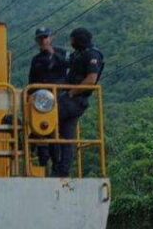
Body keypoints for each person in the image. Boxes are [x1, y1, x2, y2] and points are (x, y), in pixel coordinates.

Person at [53, 27, 103, 178]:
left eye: (73, 39)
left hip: (75, 100)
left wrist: (70, 93)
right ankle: (61, 171)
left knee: (45, 121)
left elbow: (91, 80)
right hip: (71, 99)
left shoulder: (92, 54)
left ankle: (46, 158)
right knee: (67, 136)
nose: (71, 42)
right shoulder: (78, 54)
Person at [27, 27, 68, 172]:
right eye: (40, 38)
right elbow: (31, 82)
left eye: (45, 37)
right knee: (40, 130)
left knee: (56, 132)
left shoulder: (62, 54)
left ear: (51, 38)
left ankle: (57, 164)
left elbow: (67, 69)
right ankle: (43, 163)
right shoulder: (36, 60)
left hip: (59, 99)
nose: (43, 40)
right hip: (41, 101)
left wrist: (53, 54)